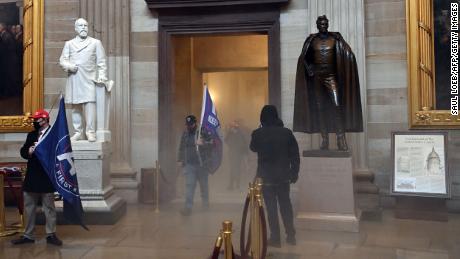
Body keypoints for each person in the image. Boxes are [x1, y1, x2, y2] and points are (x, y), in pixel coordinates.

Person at [293, 15, 363, 151]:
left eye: (325, 24)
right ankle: (324, 139)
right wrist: (309, 70)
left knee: (337, 106)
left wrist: (343, 42)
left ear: (328, 24)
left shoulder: (335, 39)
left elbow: (348, 53)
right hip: (317, 79)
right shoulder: (311, 40)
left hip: (331, 77)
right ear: (318, 25)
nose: (324, 26)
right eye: (321, 24)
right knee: (320, 109)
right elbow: (303, 58)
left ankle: (340, 138)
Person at [250, 105, 300, 247]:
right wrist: (294, 172)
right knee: (285, 206)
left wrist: (259, 129)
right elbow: (295, 155)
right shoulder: (287, 133)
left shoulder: (258, 133)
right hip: (283, 176)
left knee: (271, 208)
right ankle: (291, 236)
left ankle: (276, 238)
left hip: (266, 178)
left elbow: (252, 148)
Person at [11, 109, 63, 246]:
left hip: (47, 175)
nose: (34, 121)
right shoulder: (32, 134)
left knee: (49, 207)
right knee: (29, 206)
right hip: (32, 175)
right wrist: (29, 151)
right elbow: (23, 151)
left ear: (44, 120)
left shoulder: (54, 134)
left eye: (37, 119)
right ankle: (28, 235)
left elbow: (59, 152)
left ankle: (51, 234)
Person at [59, 18, 109, 142]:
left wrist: (102, 76)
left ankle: (90, 131)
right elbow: (62, 61)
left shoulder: (95, 43)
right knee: (76, 106)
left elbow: (102, 62)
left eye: (85, 26)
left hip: (89, 78)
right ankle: (78, 132)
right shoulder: (69, 44)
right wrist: (70, 66)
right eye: (80, 26)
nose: (83, 28)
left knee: (90, 104)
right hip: (74, 78)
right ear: (76, 28)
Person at [177, 115, 212, 216]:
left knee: (204, 186)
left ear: (195, 123)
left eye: (191, 124)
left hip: (202, 164)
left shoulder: (203, 131)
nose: (188, 127)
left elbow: (212, 143)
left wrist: (203, 143)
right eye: (187, 125)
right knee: (189, 186)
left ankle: (205, 206)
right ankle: (188, 207)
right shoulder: (185, 134)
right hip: (189, 165)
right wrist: (180, 159)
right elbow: (181, 147)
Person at [224, 120, 248, 190]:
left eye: (235, 124)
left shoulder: (241, 133)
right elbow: (226, 140)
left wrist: (245, 154)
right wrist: (229, 132)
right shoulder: (230, 132)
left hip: (238, 154)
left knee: (237, 170)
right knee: (232, 169)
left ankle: (237, 185)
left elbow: (244, 143)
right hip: (232, 153)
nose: (234, 126)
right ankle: (231, 185)